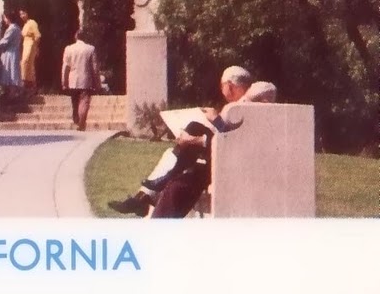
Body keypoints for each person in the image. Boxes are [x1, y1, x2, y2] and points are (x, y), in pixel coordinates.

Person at [106, 70, 274, 218]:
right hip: (216, 158)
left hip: (226, 164)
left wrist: (212, 124)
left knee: (180, 178)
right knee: (179, 173)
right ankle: (148, 196)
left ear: (230, 85)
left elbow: (234, 143)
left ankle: (148, 198)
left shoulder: (249, 111)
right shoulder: (241, 110)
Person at [60, 29, 100, 131]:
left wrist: (64, 81)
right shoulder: (90, 49)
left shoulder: (69, 49)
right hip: (85, 80)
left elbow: (65, 67)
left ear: (76, 36)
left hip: (72, 80)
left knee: (74, 101)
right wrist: (97, 83)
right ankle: (81, 123)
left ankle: (77, 119)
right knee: (84, 101)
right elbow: (95, 68)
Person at [0, 10, 22, 102]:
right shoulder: (17, 28)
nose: (4, 20)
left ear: (8, 18)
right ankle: (12, 95)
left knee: (10, 74)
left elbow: (3, 43)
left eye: (5, 18)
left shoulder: (12, 28)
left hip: (10, 53)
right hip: (14, 52)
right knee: (13, 73)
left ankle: (12, 96)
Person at [18, 8, 41, 95]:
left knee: (26, 63)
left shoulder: (32, 22)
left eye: (23, 13)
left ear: (27, 13)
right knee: (28, 66)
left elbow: (37, 35)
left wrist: (36, 47)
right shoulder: (25, 24)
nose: (22, 16)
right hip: (26, 45)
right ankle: (30, 87)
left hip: (31, 44)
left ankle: (27, 84)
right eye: (20, 14)